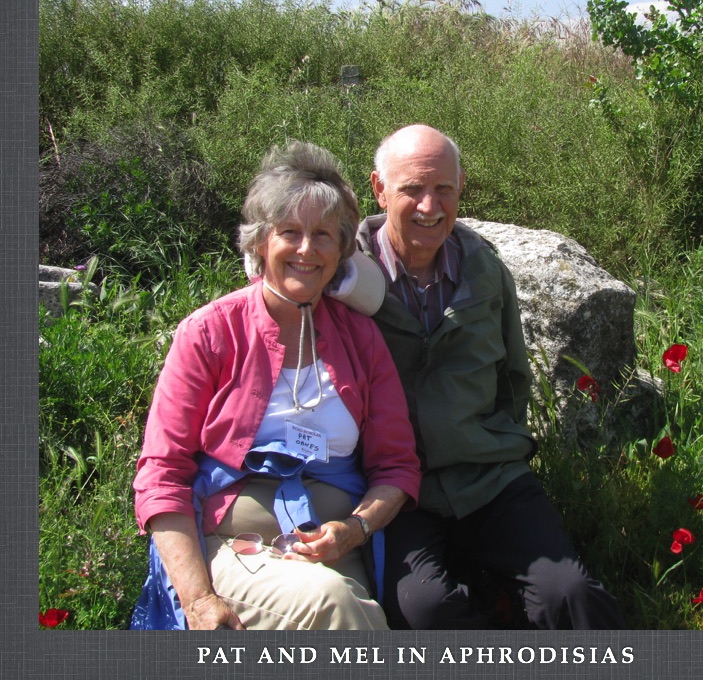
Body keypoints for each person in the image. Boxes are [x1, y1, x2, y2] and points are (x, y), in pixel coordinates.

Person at [131, 140, 421, 630]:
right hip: (234, 549)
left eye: (323, 235)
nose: (306, 249)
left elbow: (397, 466)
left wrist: (355, 529)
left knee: (350, 605)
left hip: (334, 550)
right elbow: (162, 474)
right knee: (336, 606)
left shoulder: (361, 338)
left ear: (341, 250)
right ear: (261, 242)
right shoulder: (210, 332)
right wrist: (199, 600)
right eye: (290, 232)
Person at [356, 123, 626, 629]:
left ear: (461, 187)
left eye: (444, 188)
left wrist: (490, 442)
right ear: (379, 188)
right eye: (412, 188)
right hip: (395, 489)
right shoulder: (346, 277)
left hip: (489, 477)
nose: (430, 205)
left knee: (570, 594)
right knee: (424, 610)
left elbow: (512, 380)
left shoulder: (484, 269)